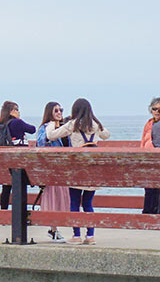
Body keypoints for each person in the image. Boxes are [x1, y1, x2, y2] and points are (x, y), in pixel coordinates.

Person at [44, 98, 110, 243]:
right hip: (93, 169)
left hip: (77, 168)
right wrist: (99, 127)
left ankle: (76, 235)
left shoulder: (72, 124)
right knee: (88, 203)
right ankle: (90, 235)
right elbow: (106, 135)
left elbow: (51, 135)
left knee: (74, 202)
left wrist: (50, 125)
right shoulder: (95, 124)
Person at [33, 101, 71, 241]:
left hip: (62, 169)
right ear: (50, 112)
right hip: (50, 170)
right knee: (53, 199)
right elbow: (42, 142)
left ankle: (55, 229)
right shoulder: (45, 128)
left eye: (61, 110)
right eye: (56, 110)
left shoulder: (63, 129)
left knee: (62, 199)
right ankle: (53, 230)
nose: (60, 112)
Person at [0, 101, 36, 209]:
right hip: (18, 160)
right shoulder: (17, 123)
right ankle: (19, 214)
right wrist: (19, 120)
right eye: (17, 109)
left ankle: (3, 212)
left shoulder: (2, 124)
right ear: (12, 111)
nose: (19, 112)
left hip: (6, 160)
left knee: (6, 187)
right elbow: (32, 129)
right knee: (19, 187)